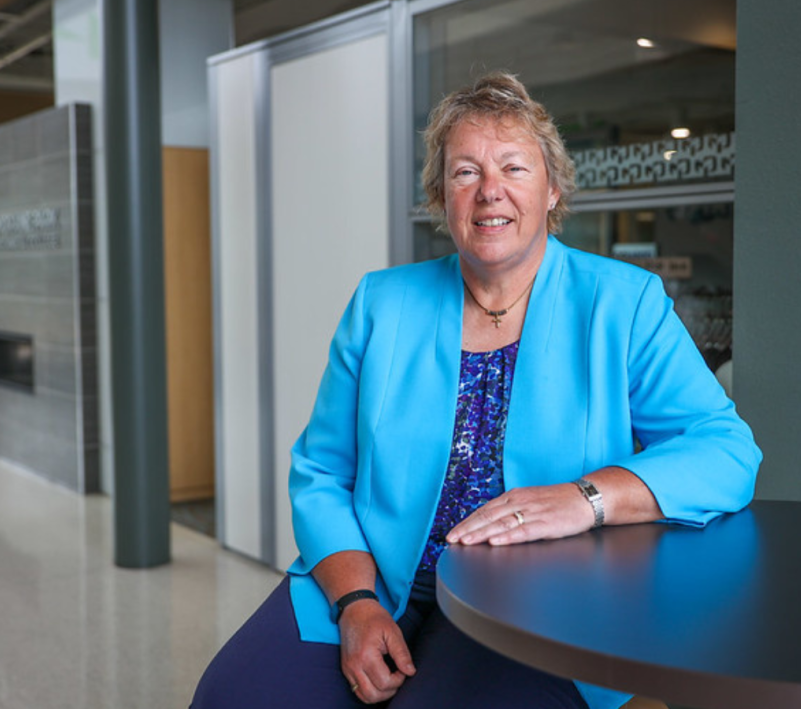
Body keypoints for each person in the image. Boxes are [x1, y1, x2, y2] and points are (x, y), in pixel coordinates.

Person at [191, 71, 761, 709]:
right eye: (465, 173)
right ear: (442, 197)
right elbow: (321, 470)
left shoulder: (622, 304)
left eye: (514, 168)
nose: (491, 191)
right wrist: (354, 604)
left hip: (536, 603)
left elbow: (727, 450)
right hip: (374, 577)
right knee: (231, 697)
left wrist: (586, 499)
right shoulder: (382, 303)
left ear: (552, 190)